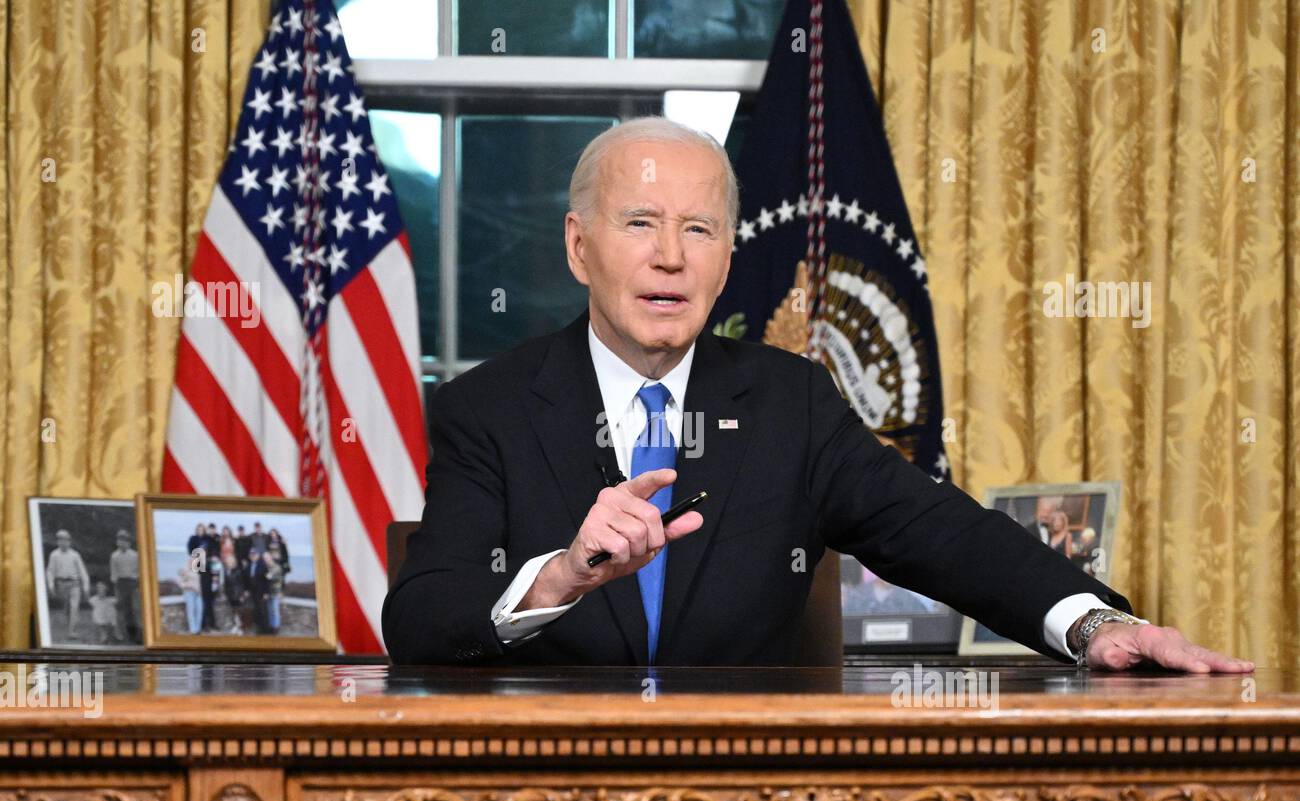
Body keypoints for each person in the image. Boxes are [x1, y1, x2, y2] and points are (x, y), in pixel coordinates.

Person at [383, 116, 1252, 675]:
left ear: (728, 258)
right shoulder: (487, 408)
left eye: (700, 230)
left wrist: (1094, 624)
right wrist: (564, 576)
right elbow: (422, 620)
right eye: (641, 224)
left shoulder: (790, 402)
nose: (671, 256)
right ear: (579, 248)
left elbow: (941, 532)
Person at [46, 529, 91, 640]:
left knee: (74, 607)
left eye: (65, 540)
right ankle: (70, 627)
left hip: (74, 583)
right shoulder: (54, 555)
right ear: (58, 542)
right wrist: (51, 585)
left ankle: (72, 631)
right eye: (60, 540)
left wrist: (86, 586)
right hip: (62, 584)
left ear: (69, 541)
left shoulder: (75, 555)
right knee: (66, 608)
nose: (63, 542)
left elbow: (82, 571)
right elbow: (50, 571)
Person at [109, 529, 140, 643]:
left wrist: (137, 583)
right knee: (124, 610)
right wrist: (116, 586)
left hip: (133, 582)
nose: (122, 543)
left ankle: (138, 635)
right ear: (117, 542)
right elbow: (114, 573)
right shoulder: (114, 556)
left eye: (125, 540)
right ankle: (127, 634)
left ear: (129, 542)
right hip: (121, 583)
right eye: (120, 540)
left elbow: (139, 571)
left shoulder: (135, 555)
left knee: (135, 609)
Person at [187, 522, 216, 631]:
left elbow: (214, 547)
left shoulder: (208, 539)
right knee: (200, 598)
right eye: (198, 529)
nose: (200, 530)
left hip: (208, 569)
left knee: (208, 597)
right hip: (198, 569)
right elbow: (191, 552)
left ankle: (209, 623)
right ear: (196, 530)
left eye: (202, 529)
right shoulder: (193, 539)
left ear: (204, 530)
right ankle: (201, 624)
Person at [177, 562, 202, 634]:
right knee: (191, 611)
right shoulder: (185, 570)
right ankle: (193, 630)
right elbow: (180, 582)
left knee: (199, 611)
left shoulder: (198, 570)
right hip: (189, 593)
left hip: (198, 593)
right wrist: (188, 585)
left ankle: (198, 629)